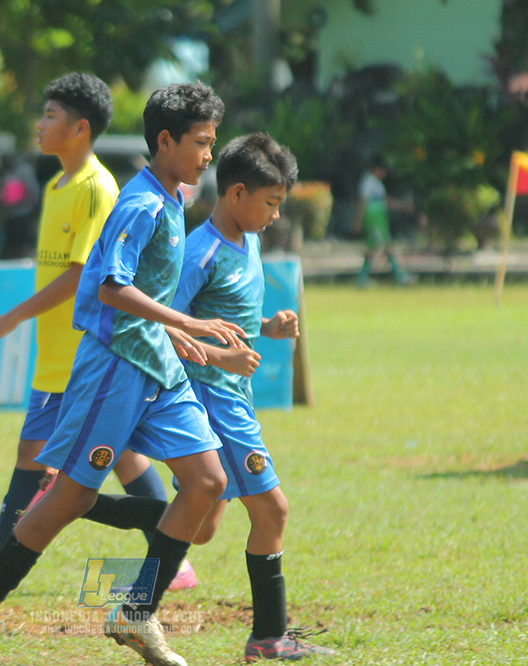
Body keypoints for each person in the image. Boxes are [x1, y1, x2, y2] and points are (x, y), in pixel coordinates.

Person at [0, 82, 245, 666]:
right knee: (71, 496)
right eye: (202, 143)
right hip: (114, 369)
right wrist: (185, 321)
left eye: (212, 143)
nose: (209, 155)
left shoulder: (172, 199)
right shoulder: (141, 202)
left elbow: (144, 290)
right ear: (166, 141)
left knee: (208, 481)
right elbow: (110, 287)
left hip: (156, 364)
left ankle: (135, 612)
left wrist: (173, 332)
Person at [0, 72, 195, 593]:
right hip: (57, 352)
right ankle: (175, 559)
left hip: (82, 354)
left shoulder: (98, 188)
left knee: (39, 454)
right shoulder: (57, 185)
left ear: (80, 128)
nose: (40, 124)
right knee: (119, 455)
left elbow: (81, 275)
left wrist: (12, 318)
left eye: (50, 115)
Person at [82, 133, 337, 662]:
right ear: (237, 193)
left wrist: (266, 326)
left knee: (199, 528)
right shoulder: (200, 251)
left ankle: (80, 504)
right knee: (272, 510)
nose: (275, 215)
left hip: (232, 395)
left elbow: (225, 318)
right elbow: (168, 326)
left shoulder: (250, 239)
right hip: (212, 400)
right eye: (270, 202)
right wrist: (220, 359)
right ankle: (268, 636)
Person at [352, 154, 414, 287]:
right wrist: (358, 221)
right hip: (373, 219)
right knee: (378, 247)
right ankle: (366, 279)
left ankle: (395, 275)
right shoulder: (368, 181)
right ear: (376, 168)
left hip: (379, 219)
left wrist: (402, 206)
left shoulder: (377, 183)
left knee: (382, 246)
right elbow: (363, 202)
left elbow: (385, 201)